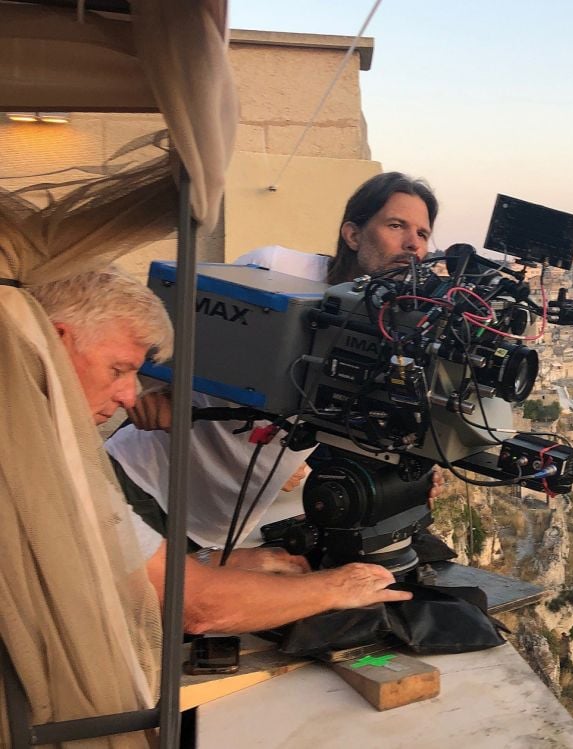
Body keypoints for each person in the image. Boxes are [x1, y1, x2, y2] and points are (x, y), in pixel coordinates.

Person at [29, 267, 413, 634]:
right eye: (118, 370)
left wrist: (217, 562)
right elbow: (194, 607)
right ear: (58, 341)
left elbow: (118, 570)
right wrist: (337, 588)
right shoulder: (49, 470)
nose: (130, 396)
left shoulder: (45, 439)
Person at [105, 171, 440, 555]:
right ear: (353, 234)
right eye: (396, 225)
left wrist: (416, 473)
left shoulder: (393, 330)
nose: (412, 243)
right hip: (143, 477)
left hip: (221, 521)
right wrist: (148, 389)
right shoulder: (276, 267)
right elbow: (176, 327)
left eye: (423, 234)